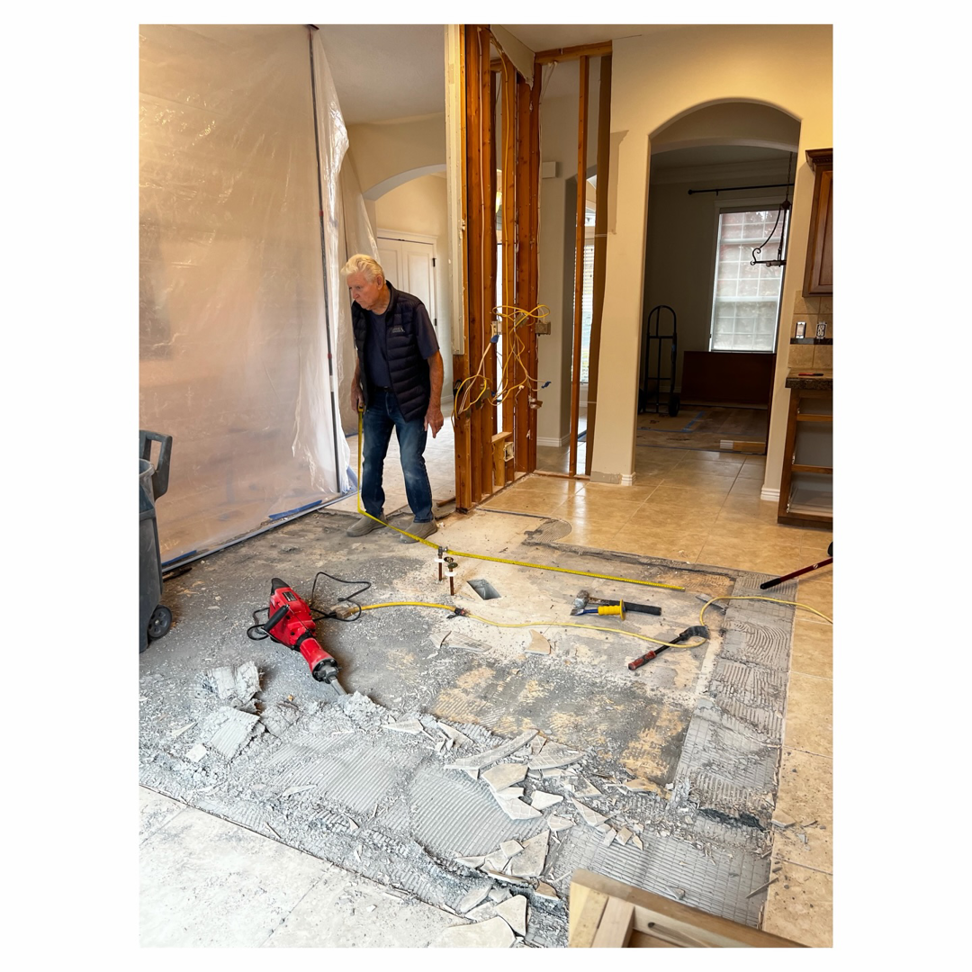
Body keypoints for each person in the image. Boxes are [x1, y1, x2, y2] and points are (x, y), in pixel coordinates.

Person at [341, 254, 444, 541]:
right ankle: (374, 513)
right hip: (375, 399)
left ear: (378, 281)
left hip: (410, 399)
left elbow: (435, 360)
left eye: (358, 288)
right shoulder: (359, 311)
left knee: (411, 460)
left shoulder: (411, 309)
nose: (355, 294)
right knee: (370, 459)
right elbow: (363, 351)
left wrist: (434, 407)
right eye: (351, 289)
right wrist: (355, 384)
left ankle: (424, 518)